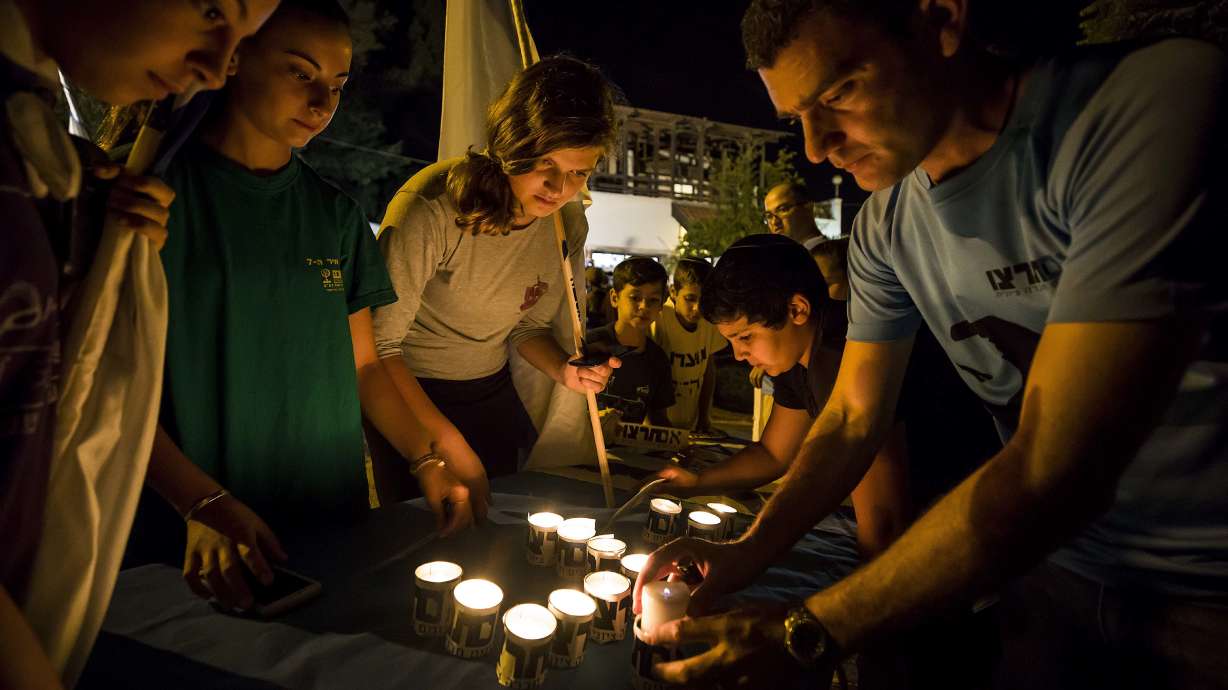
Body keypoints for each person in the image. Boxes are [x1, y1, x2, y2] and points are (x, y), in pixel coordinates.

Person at [635, 2, 1228, 689]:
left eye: (839, 92)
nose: (816, 146)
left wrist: (813, 629)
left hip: (1210, 588)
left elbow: (1058, 462)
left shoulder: (1145, 103)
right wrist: (745, 551)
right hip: (1053, 571)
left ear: (941, 20)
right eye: (795, 117)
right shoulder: (886, 224)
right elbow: (853, 418)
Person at [132, 0, 482, 613]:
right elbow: (108, 383)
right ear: (235, 57)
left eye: (338, 86)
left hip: (326, 516)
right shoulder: (151, 198)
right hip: (198, 527)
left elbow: (366, 365)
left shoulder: (335, 215)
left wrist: (425, 458)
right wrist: (198, 502)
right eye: (301, 72)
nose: (323, 103)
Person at [1, 0, 277, 685]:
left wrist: (94, 246)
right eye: (213, 10)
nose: (215, 71)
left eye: (240, 39)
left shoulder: (44, 151)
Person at [372, 56, 619, 479]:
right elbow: (378, 346)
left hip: (490, 388)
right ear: (512, 144)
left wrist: (564, 369)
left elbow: (528, 327)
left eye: (579, 173)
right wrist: (443, 443)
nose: (559, 190)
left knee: (502, 524)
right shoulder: (431, 209)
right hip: (407, 390)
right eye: (546, 163)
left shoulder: (566, 222)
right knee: (426, 531)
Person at [652, 235, 914, 561]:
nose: (739, 354)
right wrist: (696, 482)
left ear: (796, 309)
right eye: (731, 341)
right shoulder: (795, 362)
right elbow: (774, 454)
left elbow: (884, 521)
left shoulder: (846, 355)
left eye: (745, 337)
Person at [588, 257, 675, 426]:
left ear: (661, 305)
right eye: (635, 297)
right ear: (614, 297)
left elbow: (658, 419)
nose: (644, 306)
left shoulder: (657, 359)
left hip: (628, 451)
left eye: (653, 300)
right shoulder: (591, 344)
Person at [650, 258, 728, 432]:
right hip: (658, 427)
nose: (697, 308)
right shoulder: (659, 320)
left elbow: (709, 369)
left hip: (690, 424)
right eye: (690, 299)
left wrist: (704, 416)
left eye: (704, 299)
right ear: (673, 292)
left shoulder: (709, 321)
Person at [763, 180, 823, 250]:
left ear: (808, 208)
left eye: (783, 210)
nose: (774, 222)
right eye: (769, 216)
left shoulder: (829, 256)